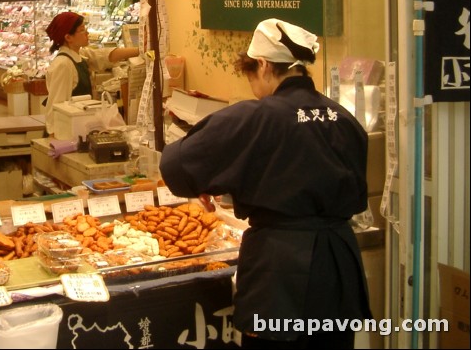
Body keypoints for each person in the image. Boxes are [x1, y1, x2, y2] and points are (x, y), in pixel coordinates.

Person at [159, 18, 371, 348]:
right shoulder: (345, 119)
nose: (252, 87)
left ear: (262, 64)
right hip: (339, 265)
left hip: (280, 269)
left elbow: (174, 164)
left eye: (250, 75)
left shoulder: (254, 116)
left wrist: (206, 182)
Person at [44, 11, 139, 137]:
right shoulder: (63, 65)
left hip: (76, 130)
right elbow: (55, 106)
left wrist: (141, 51)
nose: (87, 33)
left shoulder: (80, 55)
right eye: (82, 30)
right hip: (63, 134)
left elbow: (104, 56)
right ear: (68, 37)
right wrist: (55, 139)